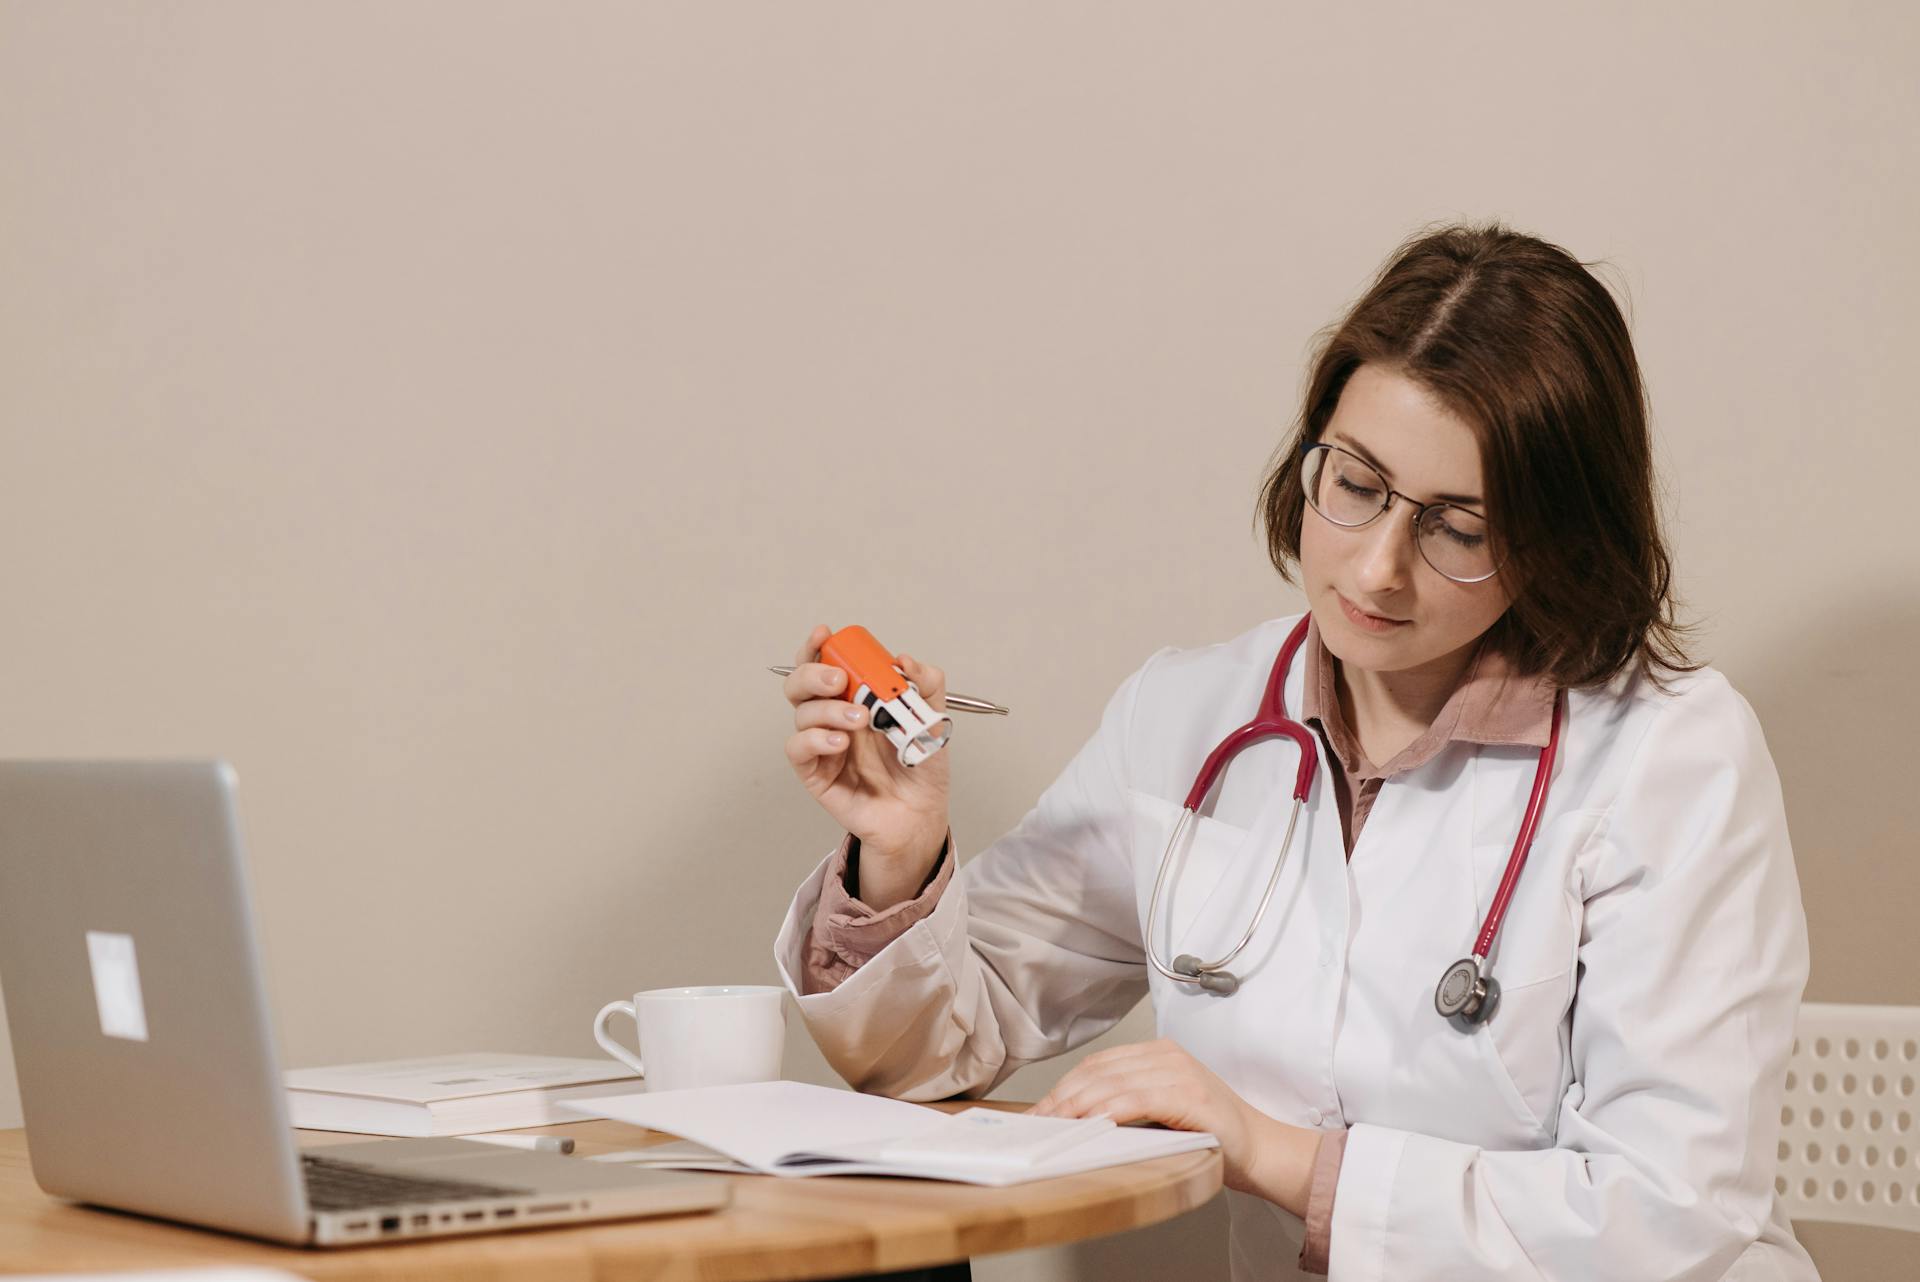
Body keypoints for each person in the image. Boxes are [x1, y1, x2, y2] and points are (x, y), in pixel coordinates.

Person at [770, 221, 1819, 1281]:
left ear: (1558, 539)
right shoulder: (1188, 716)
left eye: (1457, 528)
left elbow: (1669, 1213)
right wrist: (899, 855)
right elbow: (934, 1053)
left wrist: (1274, 1154)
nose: (1376, 569)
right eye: (1356, 484)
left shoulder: (1671, 754)